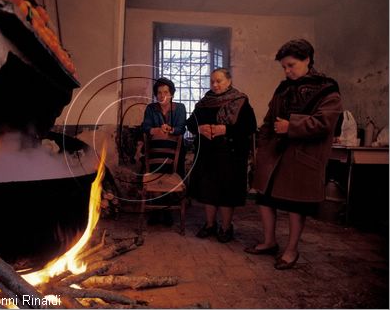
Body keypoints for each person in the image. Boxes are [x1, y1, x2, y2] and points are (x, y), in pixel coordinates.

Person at [245, 39, 342, 270]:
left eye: (291, 65)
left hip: (302, 157)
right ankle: (269, 242)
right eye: (284, 67)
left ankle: (291, 250)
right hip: (274, 156)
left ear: (307, 60)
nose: (287, 71)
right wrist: (262, 149)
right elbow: (269, 121)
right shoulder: (283, 89)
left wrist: (292, 126)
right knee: (264, 200)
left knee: (295, 206)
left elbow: (325, 123)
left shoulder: (327, 89)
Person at [187, 68, 256, 242]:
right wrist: (199, 128)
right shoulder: (205, 102)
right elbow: (190, 123)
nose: (215, 85)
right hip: (207, 153)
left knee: (227, 192)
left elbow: (249, 127)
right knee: (208, 190)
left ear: (229, 81)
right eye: (212, 82)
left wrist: (226, 129)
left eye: (219, 81)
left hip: (230, 154)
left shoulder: (240, 101)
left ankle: (226, 227)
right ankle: (210, 225)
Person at [142, 77, 187, 226]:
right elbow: (145, 127)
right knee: (154, 172)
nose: (162, 95)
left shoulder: (180, 108)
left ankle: (167, 210)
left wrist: (171, 130)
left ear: (172, 94)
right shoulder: (151, 108)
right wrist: (156, 129)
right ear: (156, 95)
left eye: (166, 92)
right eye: (159, 92)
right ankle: (156, 210)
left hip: (175, 150)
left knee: (170, 172)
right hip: (154, 150)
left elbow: (181, 128)